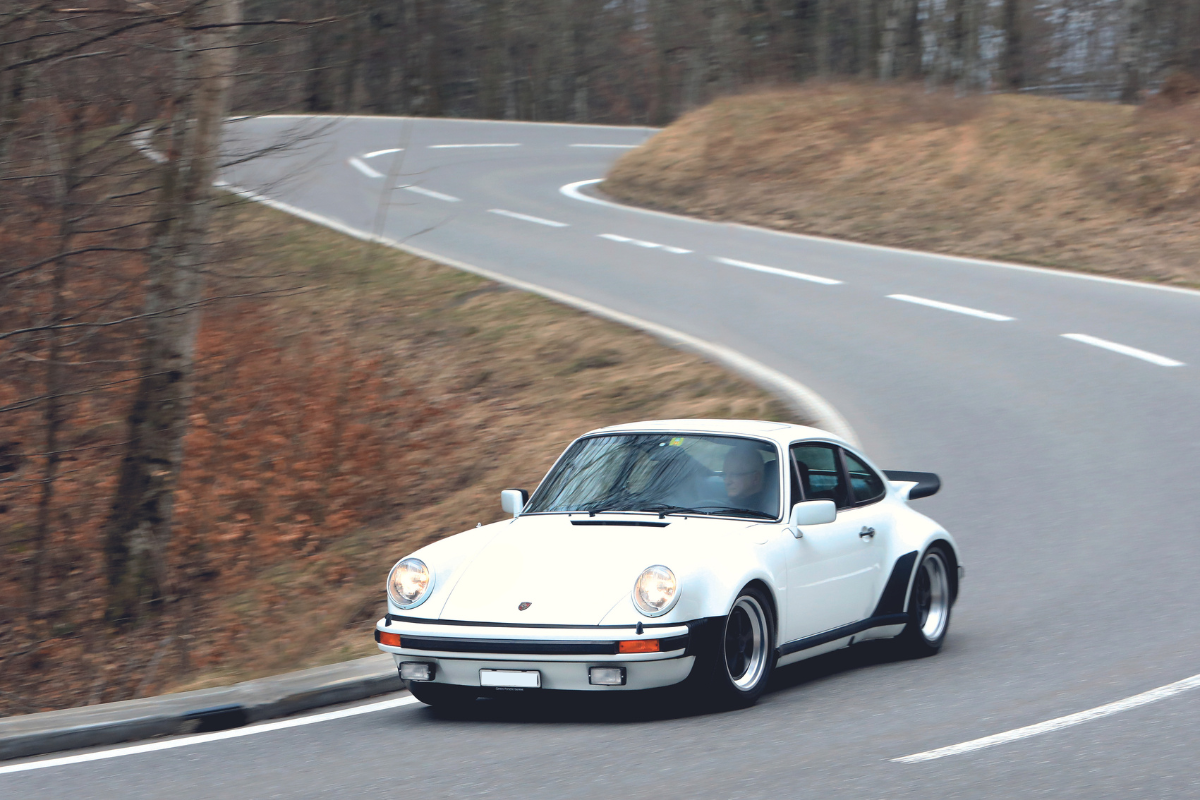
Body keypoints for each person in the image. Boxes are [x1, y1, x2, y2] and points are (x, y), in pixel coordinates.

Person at [722, 445, 768, 513]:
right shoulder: (725, 504)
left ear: (755, 478)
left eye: (735, 474)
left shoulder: (764, 512)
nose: (727, 481)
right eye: (725, 474)